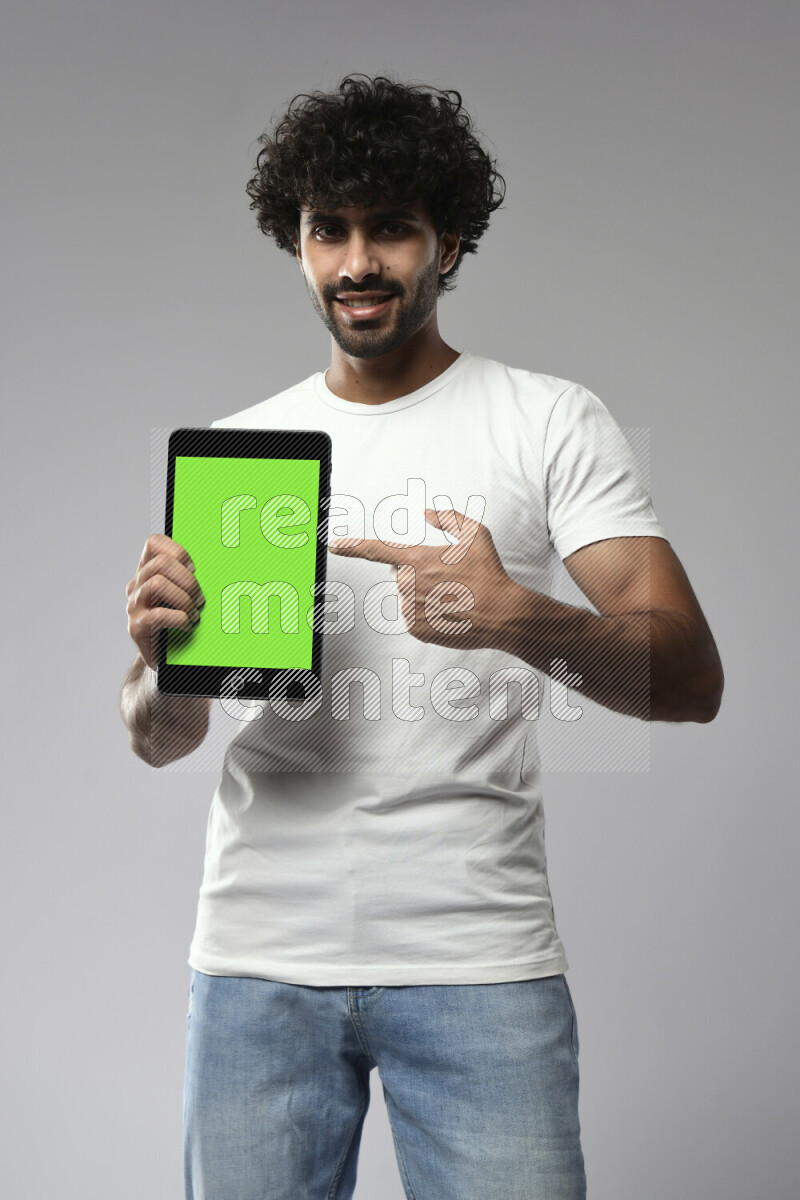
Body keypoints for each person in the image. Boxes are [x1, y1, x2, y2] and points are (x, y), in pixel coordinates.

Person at [120, 75, 724, 1200]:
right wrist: (162, 674)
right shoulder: (244, 449)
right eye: (327, 230)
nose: (357, 261)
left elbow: (690, 676)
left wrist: (515, 619)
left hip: (477, 964)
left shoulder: (545, 420)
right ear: (295, 244)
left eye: (390, 227)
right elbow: (159, 740)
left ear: (449, 242)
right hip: (256, 966)